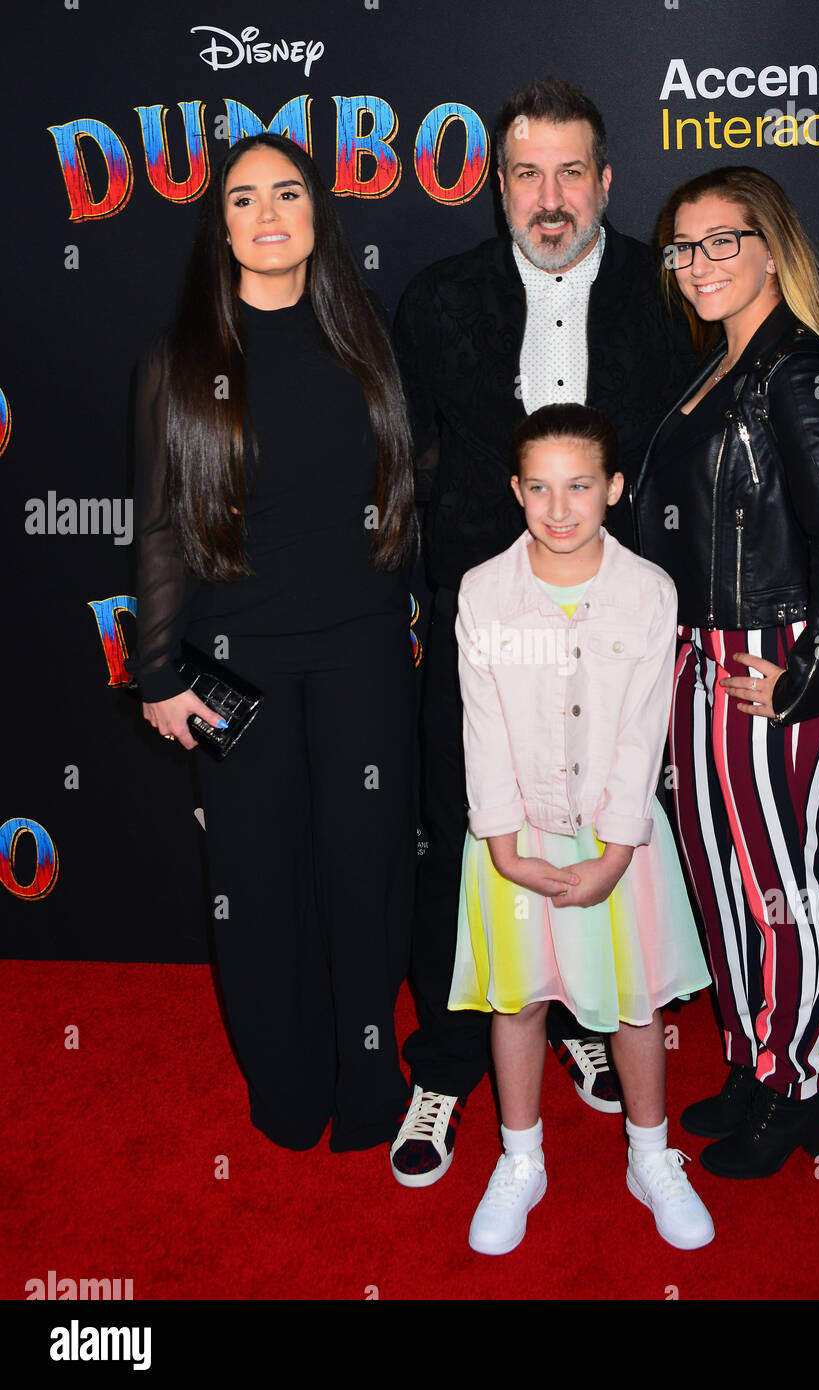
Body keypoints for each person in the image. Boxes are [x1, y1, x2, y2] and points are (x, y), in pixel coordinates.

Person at [390, 78, 698, 1186]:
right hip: (487, 624)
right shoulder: (435, 301)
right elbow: (403, 470)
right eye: (527, 173)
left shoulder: (668, 304)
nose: (550, 196)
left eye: (573, 172)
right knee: (470, 829)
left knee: (608, 822)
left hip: (619, 619)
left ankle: (579, 1016)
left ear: (608, 182)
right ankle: (446, 1055)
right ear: (498, 189)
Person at [129, 132, 417, 1152]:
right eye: (242, 197)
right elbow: (162, 525)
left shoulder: (364, 339)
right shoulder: (180, 362)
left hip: (363, 651)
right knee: (258, 879)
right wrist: (157, 672)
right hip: (231, 660)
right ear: (221, 226)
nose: (266, 212)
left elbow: (400, 495)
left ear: (314, 214)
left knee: (366, 866)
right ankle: (289, 1089)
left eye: (286, 192)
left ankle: (372, 1085)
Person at [633, 166, 819, 1179]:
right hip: (705, 660)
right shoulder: (714, 367)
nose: (697, 265)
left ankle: (799, 1087)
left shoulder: (797, 370)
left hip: (774, 659)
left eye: (721, 242)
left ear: (772, 247)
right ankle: (752, 1058)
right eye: (682, 248)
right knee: (724, 887)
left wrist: (804, 679)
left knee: (784, 887)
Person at [450, 403, 713, 1254]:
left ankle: (648, 1154)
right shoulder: (484, 591)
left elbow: (644, 730)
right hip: (513, 836)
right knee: (516, 999)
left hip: (615, 838)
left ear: (614, 489)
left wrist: (613, 850)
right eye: (538, 488)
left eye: (579, 487)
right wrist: (502, 846)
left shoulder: (648, 592)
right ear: (515, 490)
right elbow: (480, 725)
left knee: (631, 1005)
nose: (558, 510)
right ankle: (520, 1158)